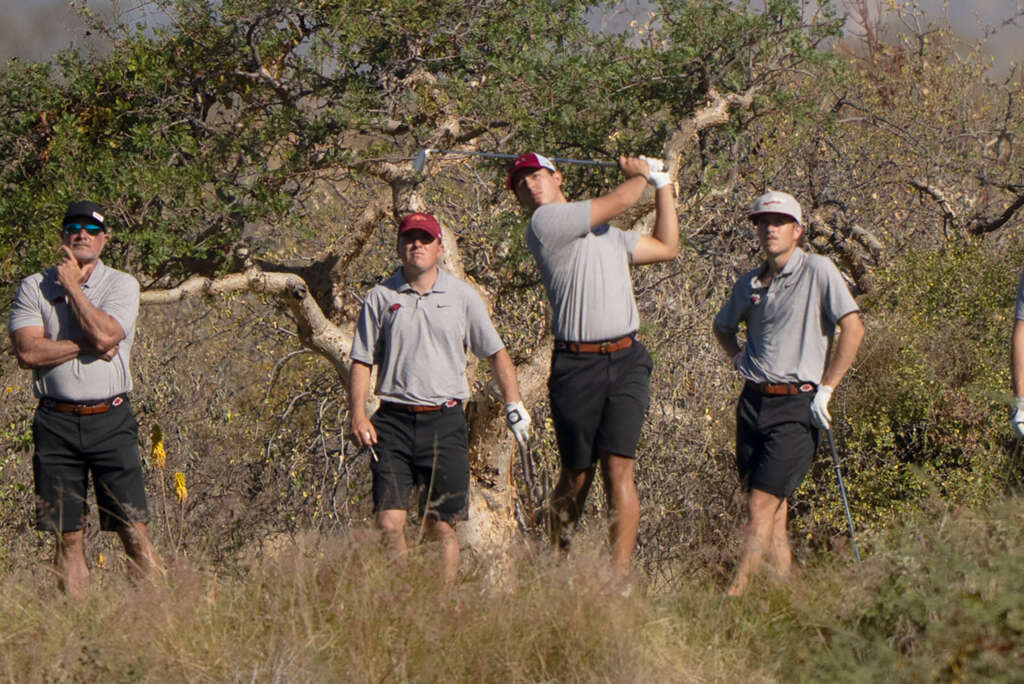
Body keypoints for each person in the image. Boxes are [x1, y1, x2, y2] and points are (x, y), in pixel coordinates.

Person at [507, 152, 678, 581]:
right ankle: (554, 564)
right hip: (576, 366)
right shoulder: (545, 225)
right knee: (577, 475)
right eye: (520, 183)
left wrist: (663, 186)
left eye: (536, 175)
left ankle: (617, 583)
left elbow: (667, 247)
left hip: (626, 360)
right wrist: (641, 175)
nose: (530, 185)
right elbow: (621, 199)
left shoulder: (608, 236)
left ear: (557, 176)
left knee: (619, 467)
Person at [348, 211, 530, 584]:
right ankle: (403, 600)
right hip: (393, 423)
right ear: (399, 247)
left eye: (425, 239)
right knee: (389, 523)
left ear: (439, 247)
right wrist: (358, 415)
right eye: (410, 239)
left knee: (441, 527)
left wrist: (514, 404)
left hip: (445, 422)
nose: (417, 245)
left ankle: (441, 607)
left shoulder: (463, 297)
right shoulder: (380, 297)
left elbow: (495, 353)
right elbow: (362, 360)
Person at [713, 190, 865, 596]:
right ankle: (791, 600)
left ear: (797, 230)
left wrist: (827, 389)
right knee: (773, 512)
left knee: (760, 505)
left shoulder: (818, 269)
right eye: (763, 222)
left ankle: (735, 594)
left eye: (779, 222)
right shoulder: (749, 282)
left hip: (799, 404)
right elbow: (723, 328)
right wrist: (738, 360)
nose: (770, 228)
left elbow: (853, 328)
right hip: (753, 401)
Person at [8, 200, 159, 599]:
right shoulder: (32, 286)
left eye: (92, 229)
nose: (82, 234)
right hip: (54, 422)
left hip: (110, 419)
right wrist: (88, 344)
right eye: (73, 227)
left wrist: (74, 288)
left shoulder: (122, 284)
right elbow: (28, 353)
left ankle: (158, 618)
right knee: (67, 535)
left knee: (132, 527)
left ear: (105, 239)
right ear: (62, 236)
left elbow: (109, 335)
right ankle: (80, 625)